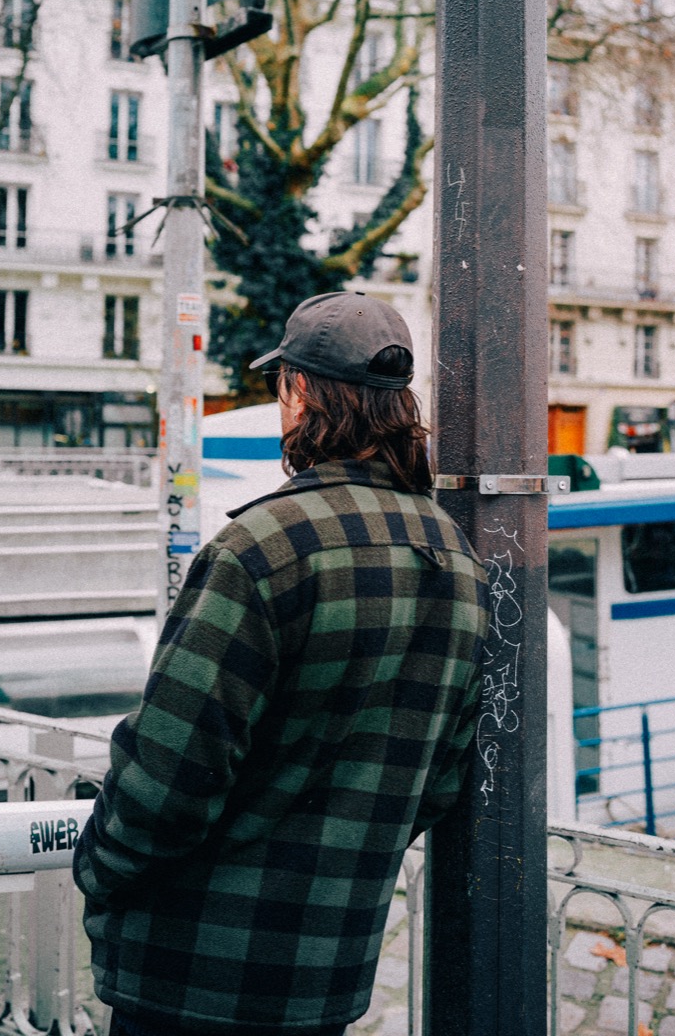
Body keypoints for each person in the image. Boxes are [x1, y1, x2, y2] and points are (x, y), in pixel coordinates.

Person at [74, 290, 490, 1036]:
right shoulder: (455, 557)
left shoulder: (262, 547)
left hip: (193, 970)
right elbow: (437, 783)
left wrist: (97, 875)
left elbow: (167, 779)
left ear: (298, 394)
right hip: (324, 977)